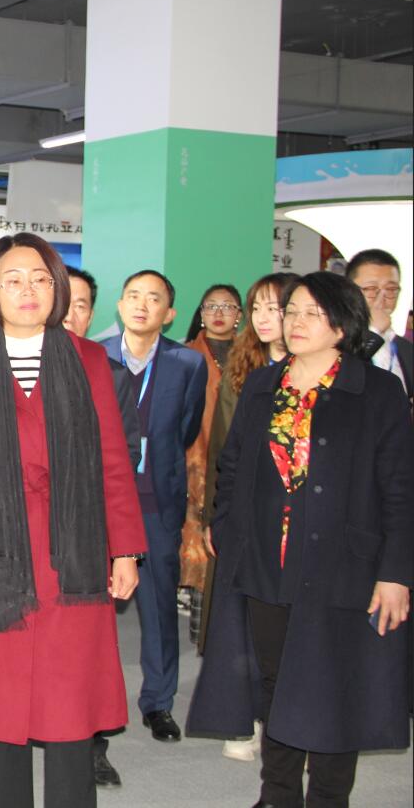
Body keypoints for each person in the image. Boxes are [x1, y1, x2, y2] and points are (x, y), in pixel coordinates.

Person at [0, 233, 146, 808]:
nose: (29, 290)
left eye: (41, 279)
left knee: (70, 701)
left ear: (58, 288)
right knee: (3, 704)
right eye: (14, 280)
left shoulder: (89, 359)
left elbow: (113, 460)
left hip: (74, 550)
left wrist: (125, 548)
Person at [188, 271, 413, 808]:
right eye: (291, 312)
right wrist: (224, 524)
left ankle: (329, 798)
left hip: (346, 563)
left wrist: (396, 573)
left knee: (336, 686)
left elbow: (401, 489)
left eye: (312, 312)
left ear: (343, 323)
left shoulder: (377, 390)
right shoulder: (264, 385)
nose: (296, 322)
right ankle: (278, 794)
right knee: (275, 681)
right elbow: (233, 464)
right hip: (269, 560)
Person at [103, 269, 207, 742]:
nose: (141, 305)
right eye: (133, 296)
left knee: (159, 606)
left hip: (155, 503)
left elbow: (186, 430)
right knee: (90, 609)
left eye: (153, 298)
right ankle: (93, 701)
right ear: (120, 305)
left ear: (170, 313)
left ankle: (158, 702)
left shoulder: (188, 364)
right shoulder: (95, 355)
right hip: (99, 503)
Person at [198, 272, 297, 764]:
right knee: (242, 623)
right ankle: (249, 718)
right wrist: (215, 516)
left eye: (274, 307)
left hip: (296, 523)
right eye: (256, 308)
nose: (263, 317)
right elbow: (223, 451)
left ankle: (288, 721)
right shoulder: (246, 369)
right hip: (244, 518)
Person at [65, 266, 144, 789]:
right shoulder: (9, 364)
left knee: (88, 649)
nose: (71, 314)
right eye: (64, 302)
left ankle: (93, 745)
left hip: (87, 530)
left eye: (82, 305)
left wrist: (122, 547)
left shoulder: (109, 373)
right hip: (24, 532)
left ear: (93, 314)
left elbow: (123, 458)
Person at [180, 284, 243, 643]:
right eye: (211, 306)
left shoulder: (254, 356)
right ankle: (200, 629)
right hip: (193, 461)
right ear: (201, 314)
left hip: (236, 460)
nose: (219, 313)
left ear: (240, 315)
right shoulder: (184, 355)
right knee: (197, 546)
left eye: (228, 306)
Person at [345, 248, 412, 397]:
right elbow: (341, 374)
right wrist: (374, 333)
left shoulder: (406, 348)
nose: (382, 298)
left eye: (391, 289)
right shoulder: (333, 337)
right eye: (371, 288)